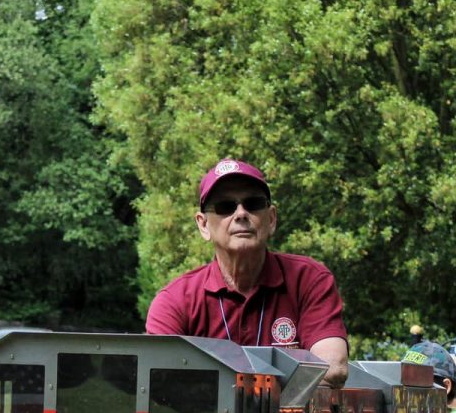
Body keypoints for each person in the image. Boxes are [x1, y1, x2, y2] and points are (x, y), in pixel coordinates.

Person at [145, 159, 350, 386]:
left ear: (271, 219)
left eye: (252, 204)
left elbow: (332, 367)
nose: (241, 214)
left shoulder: (310, 279)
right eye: (225, 207)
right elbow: (157, 382)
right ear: (203, 225)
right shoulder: (174, 300)